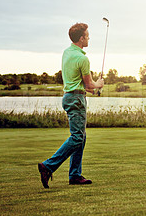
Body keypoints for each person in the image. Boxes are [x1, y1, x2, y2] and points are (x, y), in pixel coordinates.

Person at [38, 23, 104, 188]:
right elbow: (89, 83)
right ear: (81, 38)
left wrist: (93, 90)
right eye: (87, 36)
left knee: (81, 137)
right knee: (77, 137)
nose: (89, 38)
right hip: (76, 99)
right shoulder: (83, 58)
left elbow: (82, 85)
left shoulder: (67, 53)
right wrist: (99, 84)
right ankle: (48, 166)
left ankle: (75, 175)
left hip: (69, 97)